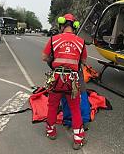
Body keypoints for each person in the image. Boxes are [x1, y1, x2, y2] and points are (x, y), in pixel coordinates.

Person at [42, 13, 87, 150]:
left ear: (62, 25)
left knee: (52, 105)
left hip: (56, 79)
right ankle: (78, 140)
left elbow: (44, 57)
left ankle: (51, 132)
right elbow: (83, 62)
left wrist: (56, 61)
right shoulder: (81, 41)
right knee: (75, 109)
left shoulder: (53, 39)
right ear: (75, 26)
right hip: (72, 80)